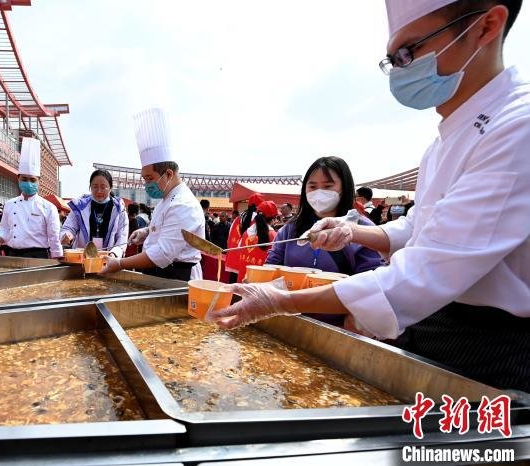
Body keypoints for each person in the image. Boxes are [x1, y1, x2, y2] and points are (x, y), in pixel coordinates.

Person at [209, 0, 529, 392]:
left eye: (409, 51)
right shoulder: (445, 138)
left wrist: (280, 302)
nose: (400, 69)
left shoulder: (517, 127)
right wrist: (355, 233)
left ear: (486, 27)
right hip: (433, 324)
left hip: (492, 343)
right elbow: (419, 225)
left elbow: (428, 270)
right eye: (393, 59)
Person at [266, 157, 384, 325]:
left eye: (328, 186)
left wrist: (353, 324)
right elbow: (272, 264)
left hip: (336, 328)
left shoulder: (363, 230)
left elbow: (372, 285)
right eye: (312, 186)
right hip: (287, 321)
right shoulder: (292, 228)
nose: (319, 192)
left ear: (344, 187)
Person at [102, 108, 204, 281]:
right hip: (159, 273)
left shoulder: (183, 205)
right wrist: (146, 232)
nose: (147, 184)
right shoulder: (167, 199)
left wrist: (120, 263)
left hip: (175, 276)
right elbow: (165, 228)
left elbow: (162, 254)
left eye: (149, 178)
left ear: (169, 174)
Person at [0, 138, 62, 259]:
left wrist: (57, 257)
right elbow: (5, 228)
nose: (28, 183)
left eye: (33, 180)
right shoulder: (9, 204)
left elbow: (54, 236)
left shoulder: (48, 207)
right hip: (12, 254)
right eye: (24, 179)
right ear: (18, 179)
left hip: (38, 255)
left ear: (39, 181)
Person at [60, 169, 128, 259]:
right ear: (90, 187)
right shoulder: (80, 206)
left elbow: (122, 237)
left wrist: (114, 254)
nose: (99, 191)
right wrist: (67, 235)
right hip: (82, 259)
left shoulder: (119, 209)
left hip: (108, 260)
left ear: (110, 187)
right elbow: (68, 228)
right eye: (95, 187)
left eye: (103, 187)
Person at [236, 200, 279, 282]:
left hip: (243, 280)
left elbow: (239, 252)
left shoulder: (246, 233)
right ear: (273, 218)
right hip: (260, 284)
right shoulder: (273, 236)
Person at [225, 193, 264, 283]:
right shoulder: (259, 221)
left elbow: (229, 237)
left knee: (232, 287)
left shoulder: (238, 218)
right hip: (247, 261)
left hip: (233, 257)